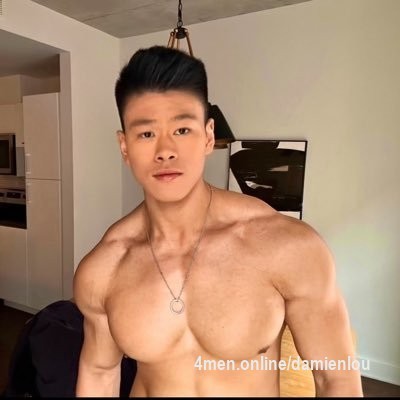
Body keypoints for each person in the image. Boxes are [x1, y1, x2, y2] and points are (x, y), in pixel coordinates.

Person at [73, 45, 363, 397]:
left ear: (208, 136)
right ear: (124, 147)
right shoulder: (103, 269)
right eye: (146, 134)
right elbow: (99, 372)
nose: (165, 151)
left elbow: (337, 378)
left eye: (182, 130)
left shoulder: (288, 247)